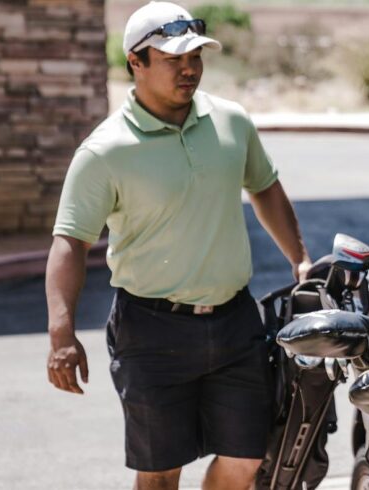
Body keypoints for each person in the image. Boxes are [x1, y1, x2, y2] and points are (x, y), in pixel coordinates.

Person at [44, 2, 312, 489]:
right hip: (149, 333)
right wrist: (61, 334)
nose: (189, 68)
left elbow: (265, 187)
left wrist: (300, 258)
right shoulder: (104, 151)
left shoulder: (231, 122)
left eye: (195, 57)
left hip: (235, 323)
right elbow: (70, 242)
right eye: (172, 58)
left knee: (246, 460)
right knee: (161, 472)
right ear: (136, 62)